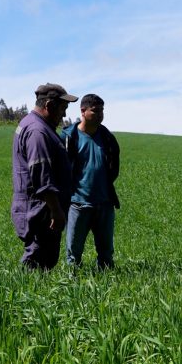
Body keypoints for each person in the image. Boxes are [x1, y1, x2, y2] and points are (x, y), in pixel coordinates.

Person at [11, 83, 78, 270]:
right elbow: (42, 176)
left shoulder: (33, 125)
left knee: (42, 260)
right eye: (62, 108)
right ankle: (25, 297)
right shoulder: (37, 131)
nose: (64, 115)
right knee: (37, 260)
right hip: (41, 211)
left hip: (40, 209)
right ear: (48, 105)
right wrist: (56, 210)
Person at [61, 94, 120, 269]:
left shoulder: (108, 138)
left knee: (106, 253)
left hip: (104, 204)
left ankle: (107, 287)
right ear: (83, 111)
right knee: (73, 254)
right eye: (95, 111)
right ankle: (71, 288)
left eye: (102, 110)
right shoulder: (69, 137)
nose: (100, 114)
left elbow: (114, 168)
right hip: (77, 204)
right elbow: (62, 170)